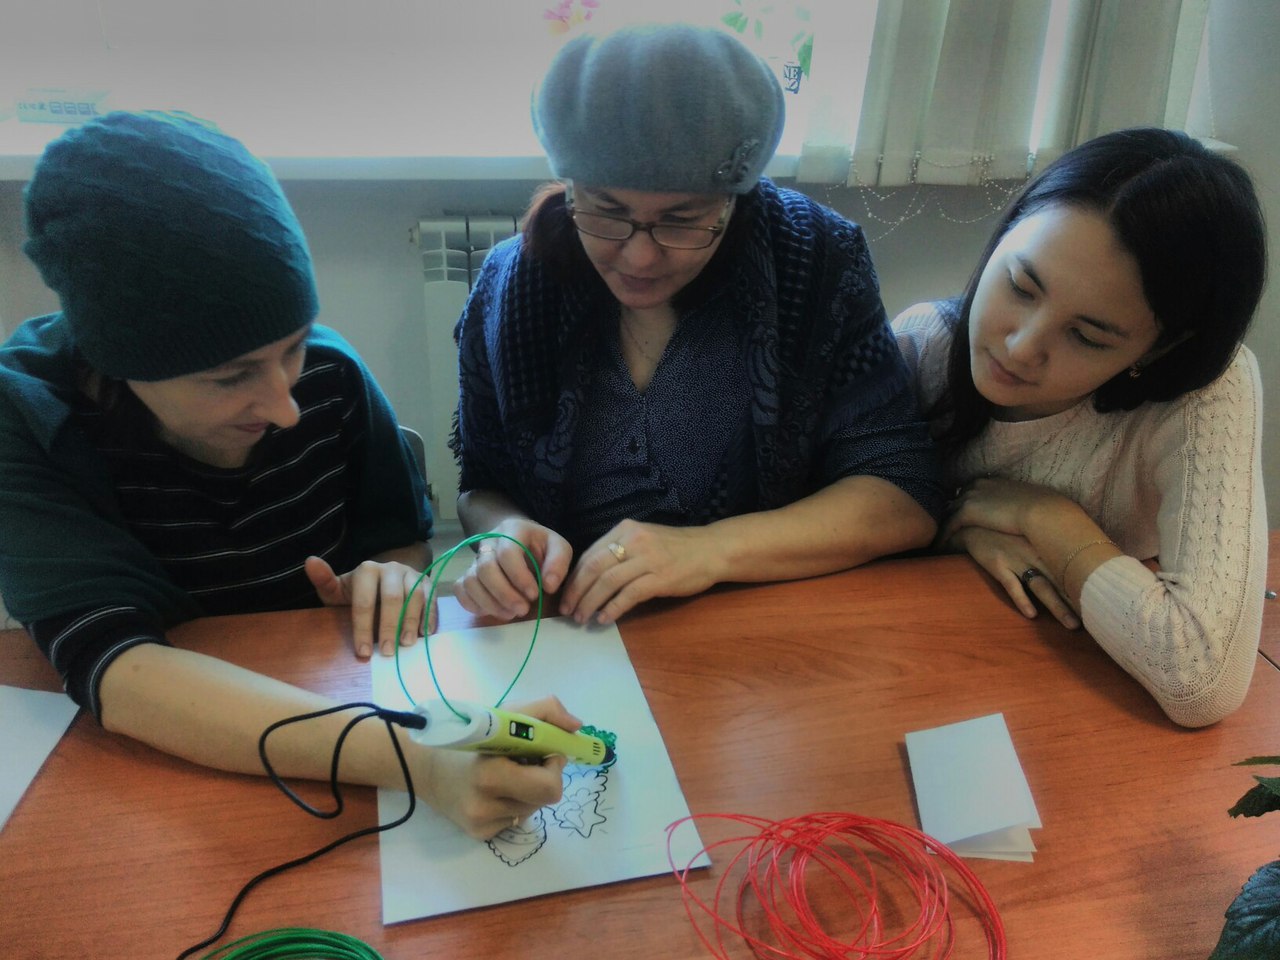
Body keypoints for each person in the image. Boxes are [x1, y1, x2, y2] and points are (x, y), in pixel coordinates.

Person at [0, 110, 572, 838]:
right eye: (229, 377)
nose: (284, 406)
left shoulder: (332, 374)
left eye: (293, 347)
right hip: (177, 775)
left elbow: (398, 542)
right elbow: (116, 667)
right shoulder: (30, 421)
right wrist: (419, 761)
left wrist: (390, 575)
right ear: (120, 362)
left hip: (335, 700)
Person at [451, 23, 944, 627]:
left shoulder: (815, 261)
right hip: (579, 637)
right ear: (570, 188)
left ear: (735, 199)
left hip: (766, 622)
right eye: (605, 210)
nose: (639, 257)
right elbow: (481, 486)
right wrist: (505, 533)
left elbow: (902, 492)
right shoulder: (511, 287)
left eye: (682, 220)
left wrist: (710, 550)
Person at [892, 127, 1268, 728]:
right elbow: (837, 520)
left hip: (1078, 695)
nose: (1021, 347)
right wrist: (958, 535)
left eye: (1087, 337)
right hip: (914, 669)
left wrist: (1044, 518)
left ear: (1162, 347)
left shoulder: (1203, 395)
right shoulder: (923, 345)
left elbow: (1202, 680)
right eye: (1021, 286)